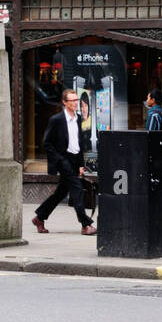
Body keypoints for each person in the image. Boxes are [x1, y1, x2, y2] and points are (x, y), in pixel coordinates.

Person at [32, 89, 96, 235]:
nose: (75, 103)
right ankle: (86, 225)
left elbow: (79, 143)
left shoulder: (78, 118)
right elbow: (47, 143)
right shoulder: (56, 120)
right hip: (63, 160)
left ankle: (39, 217)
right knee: (77, 189)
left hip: (74, 160)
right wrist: (59, 160)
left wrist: (81, 164)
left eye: (76, 100)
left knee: (61, 193)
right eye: (72, 101)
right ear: (64, 102)